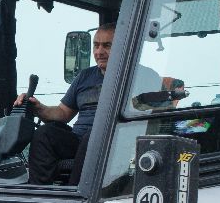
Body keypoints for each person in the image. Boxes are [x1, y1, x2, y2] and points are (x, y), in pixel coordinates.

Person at [16, 24, 172, 184]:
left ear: (124, 46)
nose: (99, 52)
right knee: (44, 134)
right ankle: (41, 192)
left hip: (119, 143)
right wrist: (38, 107)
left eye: (107, 46)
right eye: (96, 45)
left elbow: (161, 118)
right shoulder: (85, 76)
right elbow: (63, 113)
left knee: (94, 136)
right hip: (80, 140)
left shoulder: (146, 77)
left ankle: (75, 193)